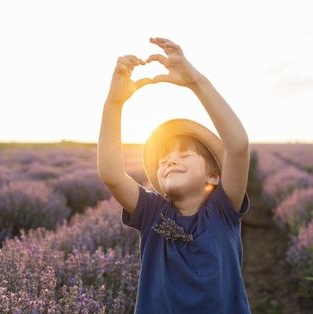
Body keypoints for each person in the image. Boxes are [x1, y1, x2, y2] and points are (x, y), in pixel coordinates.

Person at [98, 37, 251, 314]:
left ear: (214, 176)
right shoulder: (152, 212)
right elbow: (110, 174)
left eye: (183, 154)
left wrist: (195, 82)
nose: (170, 160)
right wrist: (114, 104)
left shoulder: (222, 210)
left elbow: (238, 146)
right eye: (163, 159)